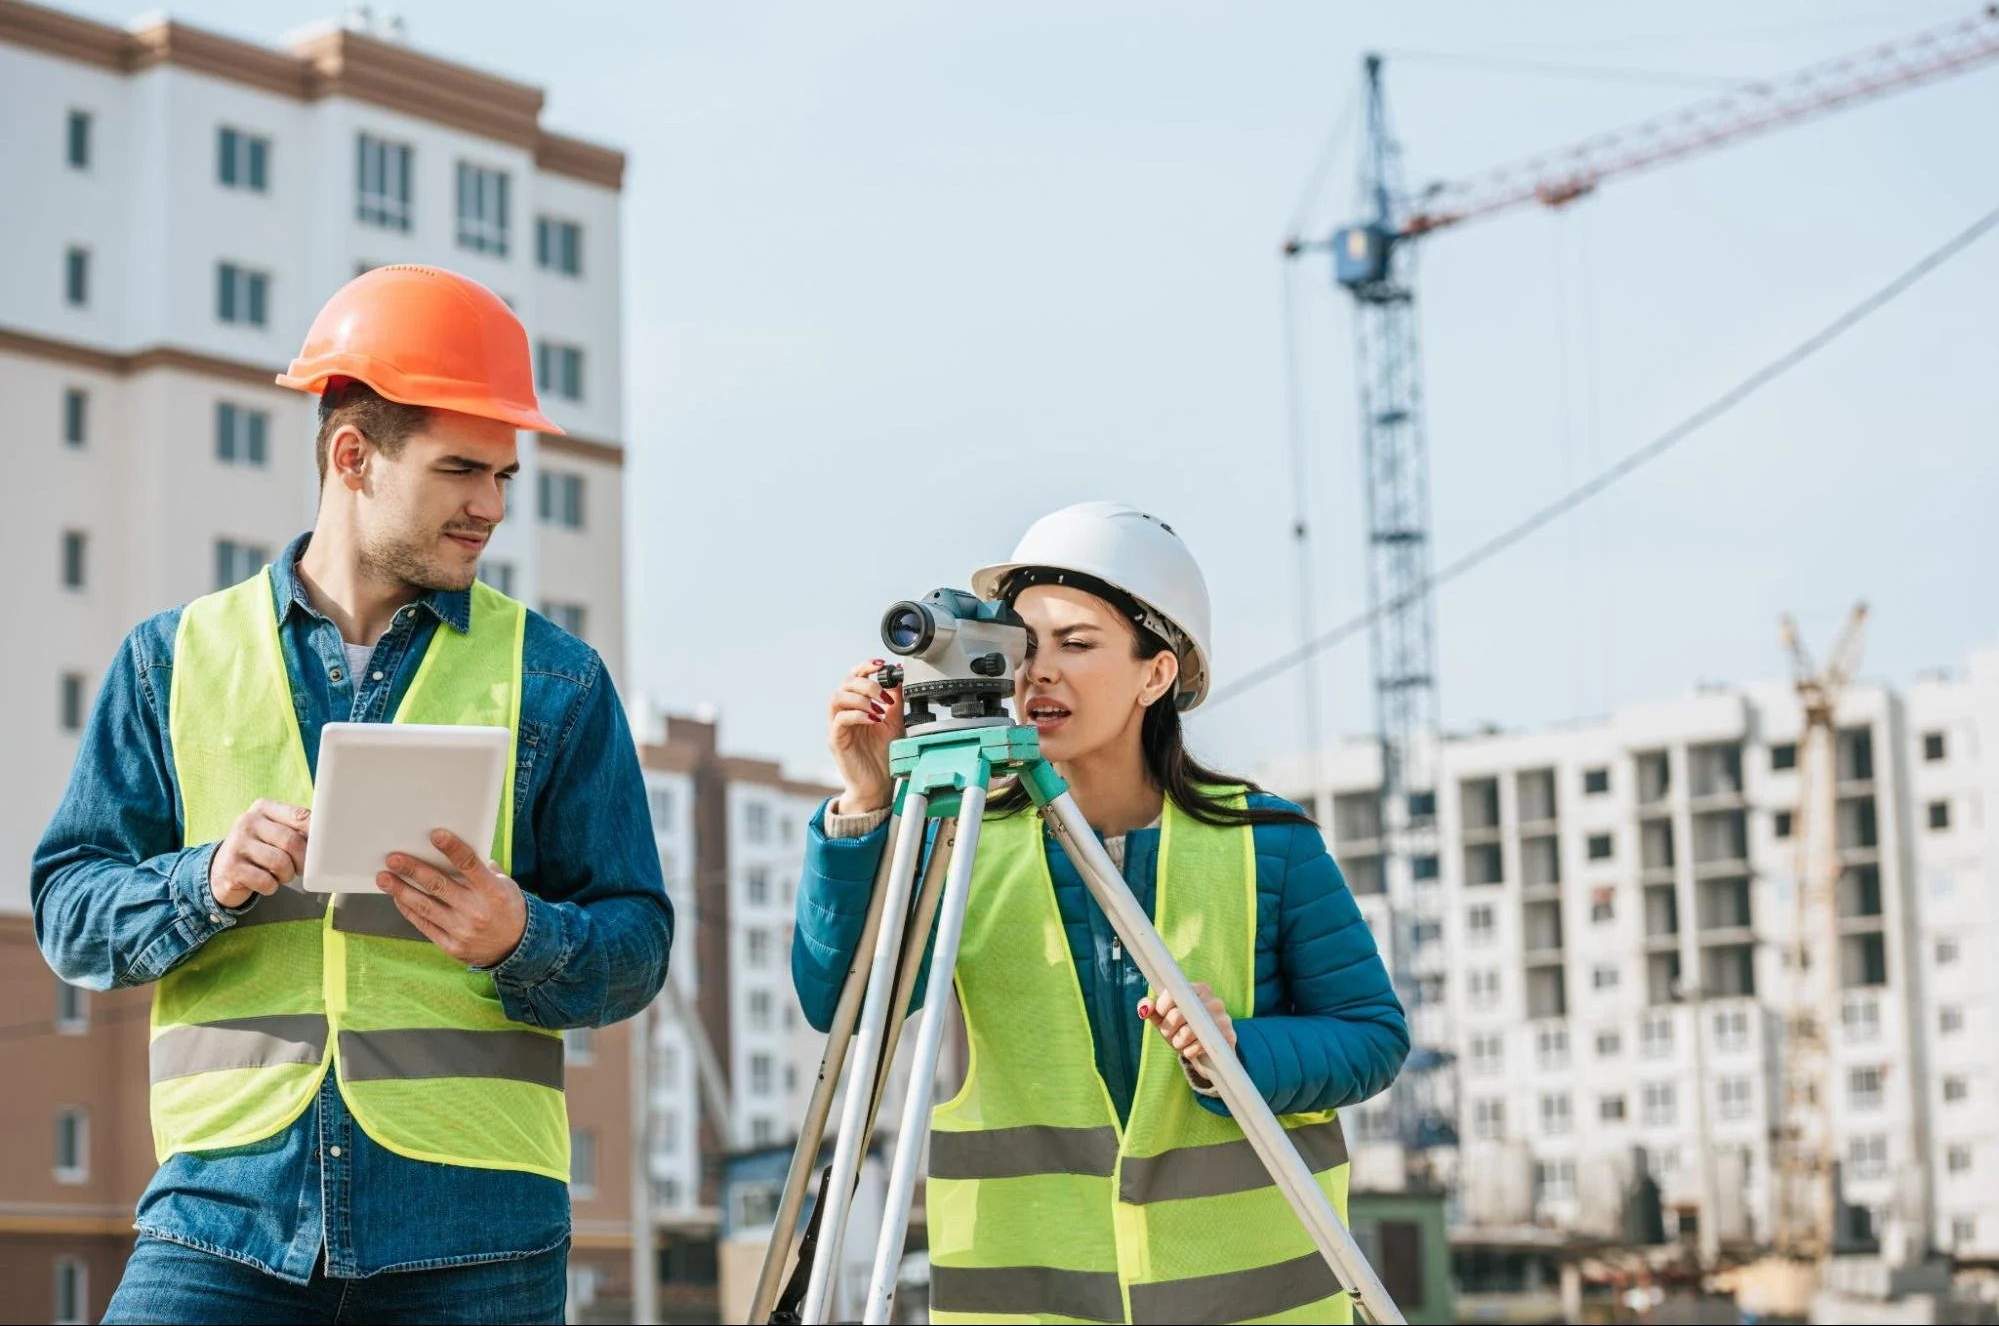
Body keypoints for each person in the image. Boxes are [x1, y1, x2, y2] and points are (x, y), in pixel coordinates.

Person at [31, 265, 671, 1325]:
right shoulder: (171, 661)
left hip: (479, 1232)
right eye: (462, 470)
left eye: (505, 475)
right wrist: (203, 883)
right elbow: (67, 912)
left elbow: (636, 942)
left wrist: (524, 937)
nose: (492, 507)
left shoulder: (557, 680)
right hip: (220, 1213)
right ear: (352, 456)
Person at [793, 501, 1409, 1325]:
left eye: (1076, 644)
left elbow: (1371, 1034)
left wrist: (1238, 1052)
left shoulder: (1265, 841)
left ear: (1156, 673)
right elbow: (843, 1009)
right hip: (1032, 1303)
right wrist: (868, 802)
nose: (1037, 671)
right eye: (1024, 644)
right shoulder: (962, 839)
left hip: (1245, 1300)